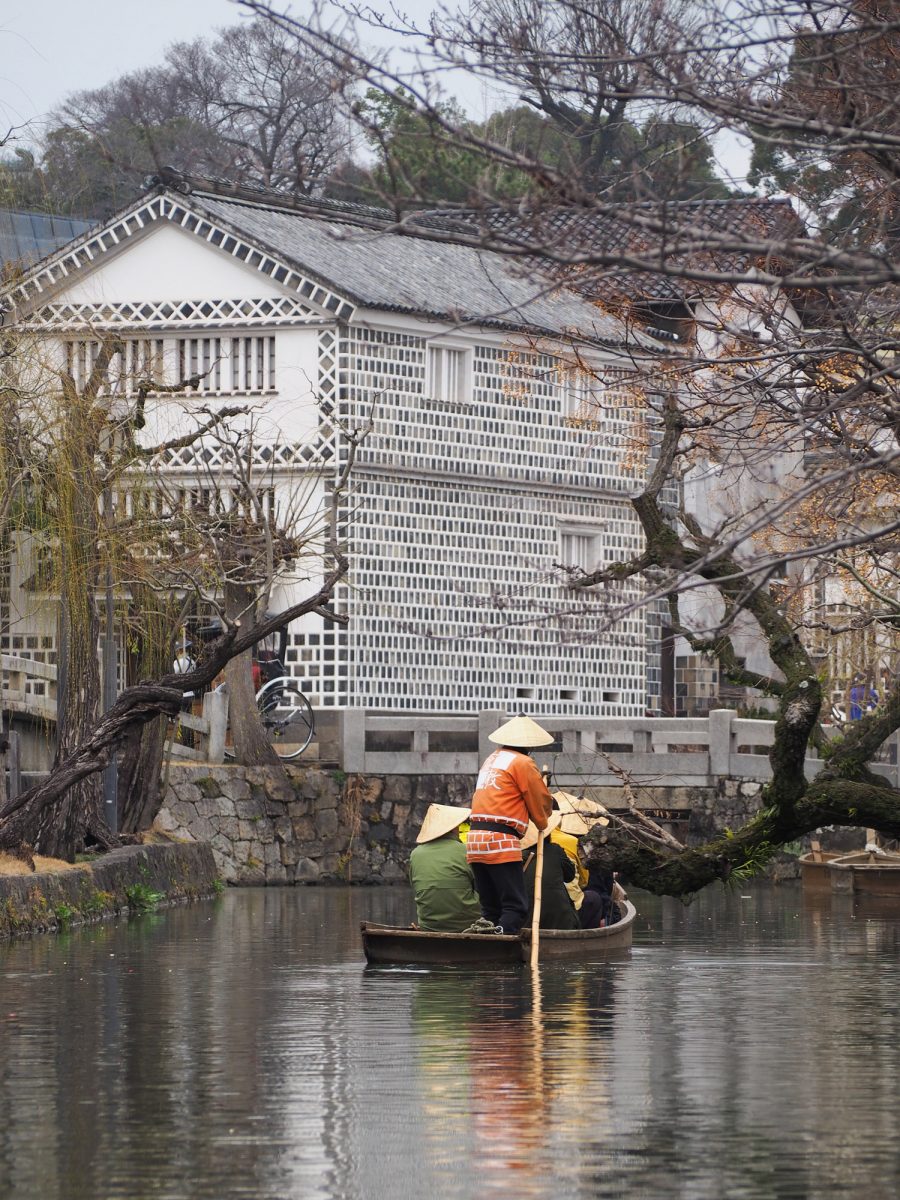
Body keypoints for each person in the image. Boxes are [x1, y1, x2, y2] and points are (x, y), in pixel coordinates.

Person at [466, 714, 555, 934]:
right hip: (500, 840)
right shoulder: (523, 762)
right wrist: (543, 820)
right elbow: (539, 800)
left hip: (475, 839)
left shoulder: (492, 759)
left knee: (490, 907)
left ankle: (486, 934)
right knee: (515, 906)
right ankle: (501, 940)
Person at [408, 804, 482, 932]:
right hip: (468, 925)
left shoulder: (415, 854)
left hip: (429, 925)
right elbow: (482, 887)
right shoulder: (467, 851)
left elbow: (416, 887)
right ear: (453, 829)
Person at [521, 811, 580, 931]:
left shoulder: (518, 854)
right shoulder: (555, 850)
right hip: (561, 921)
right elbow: (570, 876)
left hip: (527, 921)